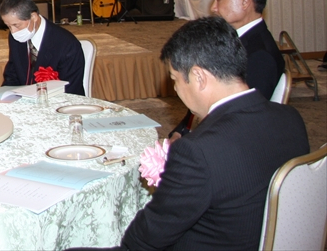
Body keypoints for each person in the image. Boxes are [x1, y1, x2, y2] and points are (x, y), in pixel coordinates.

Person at [118, 16, 308, 250]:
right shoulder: (291, 118)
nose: (176, 89)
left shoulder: (197, 151)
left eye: (175, 80)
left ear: (199, 77)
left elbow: (143, 241)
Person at [170, 0, 285, 140]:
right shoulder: (234, 40)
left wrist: (190, 141)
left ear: (245, 1)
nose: (213, 8)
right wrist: (181, 131)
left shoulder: (260, 55)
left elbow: (242, 116)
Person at [0, 0, 85, 95]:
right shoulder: (16, 36)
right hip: (23, 100)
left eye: (16, 25)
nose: (13, 31)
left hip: (59, 100)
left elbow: (71, 90)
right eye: (8, 26)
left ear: (33, 17)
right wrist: (5, 96)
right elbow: (12, 75)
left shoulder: (67, 45)